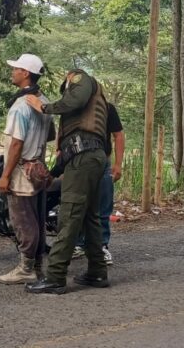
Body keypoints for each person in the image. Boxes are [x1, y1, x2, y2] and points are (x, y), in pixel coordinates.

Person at [23, 69, 109, 295]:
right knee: (90, 218)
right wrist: (53, 172)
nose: (65, 95)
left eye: (65, 89)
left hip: (84, 159)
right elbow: (74, 147)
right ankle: (97, 271)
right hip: (90, 158)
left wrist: (43, 107)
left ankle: (55, 277)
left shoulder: (80, 79)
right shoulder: (88, 111)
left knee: (69, 215)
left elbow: (76, 101)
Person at [0, 54, 52, 285]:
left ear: (26, 73)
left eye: (16, 68)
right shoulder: (43, 100)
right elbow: (51, 135)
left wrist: (5, 175)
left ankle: (26, 268)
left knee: (22, 220)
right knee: (37, 218)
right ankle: (37, 266)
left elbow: (16, 144)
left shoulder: (20, 106)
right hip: (38, 167)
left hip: (22, 171)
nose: (13, 72)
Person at [73, 102, 124, 264]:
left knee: (103, 205)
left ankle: (101, 246)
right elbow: (63, 131)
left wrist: (117, 164)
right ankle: (79, 244)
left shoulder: (106, 108)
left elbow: (118, 135)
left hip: (103, 162)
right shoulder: (73, 105)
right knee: (78, 205)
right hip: (77, 163)